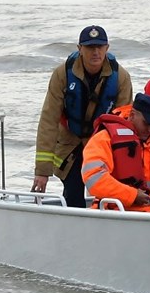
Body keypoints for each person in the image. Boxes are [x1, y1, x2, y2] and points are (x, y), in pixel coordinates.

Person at [32, 25, 133, 208]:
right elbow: (49, 121)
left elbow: (123, 124)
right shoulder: (62, 74)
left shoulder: (121, 77)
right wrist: (42, 171)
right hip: (71, 144)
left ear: (107, 48)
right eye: (89, 47)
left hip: (104, 144)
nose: (95, 52)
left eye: (100, 47)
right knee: (72, 193)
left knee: (107, 195)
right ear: (79, 49)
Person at [80, 93, 150, 212]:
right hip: (116, 213)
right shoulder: (104, 138)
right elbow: (94, 178)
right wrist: (132, 195)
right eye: (147, 123)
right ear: (132, 115)